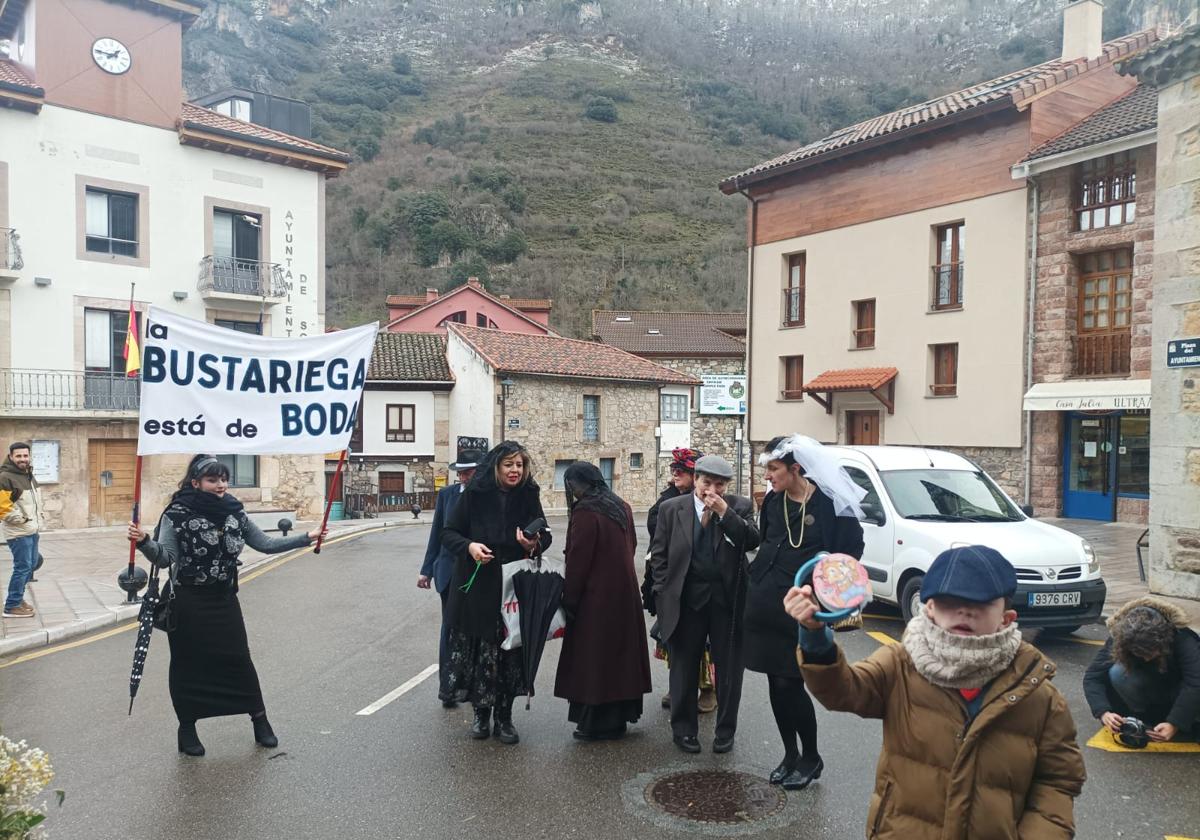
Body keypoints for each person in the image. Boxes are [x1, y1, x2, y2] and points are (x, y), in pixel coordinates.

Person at [785, 545, 1086, 838]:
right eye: (949, 601)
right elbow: (843, 691)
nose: (964, 611)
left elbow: (1058, 781)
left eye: (980, 603)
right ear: (928, 608)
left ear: (1006, 618)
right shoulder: (901, 664)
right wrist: (814, 635)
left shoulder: (1038, 695)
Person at [128, 454, 326, 757]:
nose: (220, 485)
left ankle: (260, 721)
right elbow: (165, 558)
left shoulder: (235, 512)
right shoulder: (176, 514)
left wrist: (305, 538)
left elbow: (265, 544)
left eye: (223, 479)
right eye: (212, 479)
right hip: (189, 601)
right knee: (188, 665)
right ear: (195, 482)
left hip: (223, 599)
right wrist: (143, 541)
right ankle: (187, 728)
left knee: (239, 660)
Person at [746, 434, 866, 789]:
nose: (767, 475)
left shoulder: (831, 504)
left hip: (803, 608)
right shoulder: (772, 501)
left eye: (773, 468)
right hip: (766, 601)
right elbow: (766, 542)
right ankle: (789, 754)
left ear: (796, 469)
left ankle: (811, 756)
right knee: (775, 682)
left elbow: (850, 553)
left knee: (791, 682)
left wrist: (827, 589)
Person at [441, 441, 551, 745]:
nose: (515, 470)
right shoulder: (475, 494)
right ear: (496, 466)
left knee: (510, 653)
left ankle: (505, 718)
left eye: (519, 465)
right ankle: (481, 714)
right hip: (478, 588)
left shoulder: (529, 494)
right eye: (509, 465)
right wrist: (470, 547)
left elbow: (545, 536)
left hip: (513, 587)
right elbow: (448, 533)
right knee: (481, 653)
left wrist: (533, 545)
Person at [650, 454, 760, 754]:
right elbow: (658, 554)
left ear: (727, 486)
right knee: (683, 667)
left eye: (719, 484)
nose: (711, 489)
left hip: (727, 601)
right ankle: (684, 730)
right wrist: (663, 591)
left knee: (728, 670)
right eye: (706, 482)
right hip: (687, 600)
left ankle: (725, 732)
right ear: (695, 480)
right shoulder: (672, 508)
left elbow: (751, 540)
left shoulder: (739, 507)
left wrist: (725, 513)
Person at [554, 462, 651, 740]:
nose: (571, 490)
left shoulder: (586, 511)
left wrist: (569, 600)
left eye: (572, 484)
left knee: (594, 660)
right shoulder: (620, 505)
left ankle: (595, 723)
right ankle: (618, 719)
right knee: (620, 658)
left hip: (595, 599)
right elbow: (630, 546)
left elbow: (578, 560)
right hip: (624, 593)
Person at [642, 447, 717, 713]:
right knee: (673, 635)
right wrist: (659, 585)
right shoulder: (669, 501)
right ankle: (679, 685)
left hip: (702, 586)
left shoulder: (713, 502)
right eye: (674, 470)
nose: (675, 474)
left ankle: (708, 688)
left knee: (705, 641)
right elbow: (657, 539)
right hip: (673, 581)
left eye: (682, 471)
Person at [1084, 596, 1200, 743]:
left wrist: (1175, 723)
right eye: (1139, 654)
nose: (1146, 659)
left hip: (1180, 688)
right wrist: (1103, 712)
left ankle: (1191, 721)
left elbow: (1195, 684)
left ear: (1163, 640)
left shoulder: (1182, 637)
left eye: (1151, 653)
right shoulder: (1121, 637)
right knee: (1117, 672)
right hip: (1154, 689)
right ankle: (1145, 718)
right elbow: (1093, 676)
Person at [418, 447, 483, 708]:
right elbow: (437, 534)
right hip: (448, 572)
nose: (464, 478)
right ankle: (448, 688)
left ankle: (472, 684)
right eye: (461, 473)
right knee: (449, 630)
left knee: (475, 632)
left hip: (477, 573)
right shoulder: (447, 496)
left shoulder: (487, 497)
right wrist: (427, 569)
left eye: (469, 472)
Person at [2, 442, 43, 620]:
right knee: (23, 567)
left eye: (25, 456)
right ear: (11, 457)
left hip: (32, 529)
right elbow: (3, 508)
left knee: (31, 564)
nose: (23, 459)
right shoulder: (5, 477)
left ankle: (16, 598)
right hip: (19, 532)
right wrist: (23, 519)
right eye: (18, 456)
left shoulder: (28, 475)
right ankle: (11, 605)